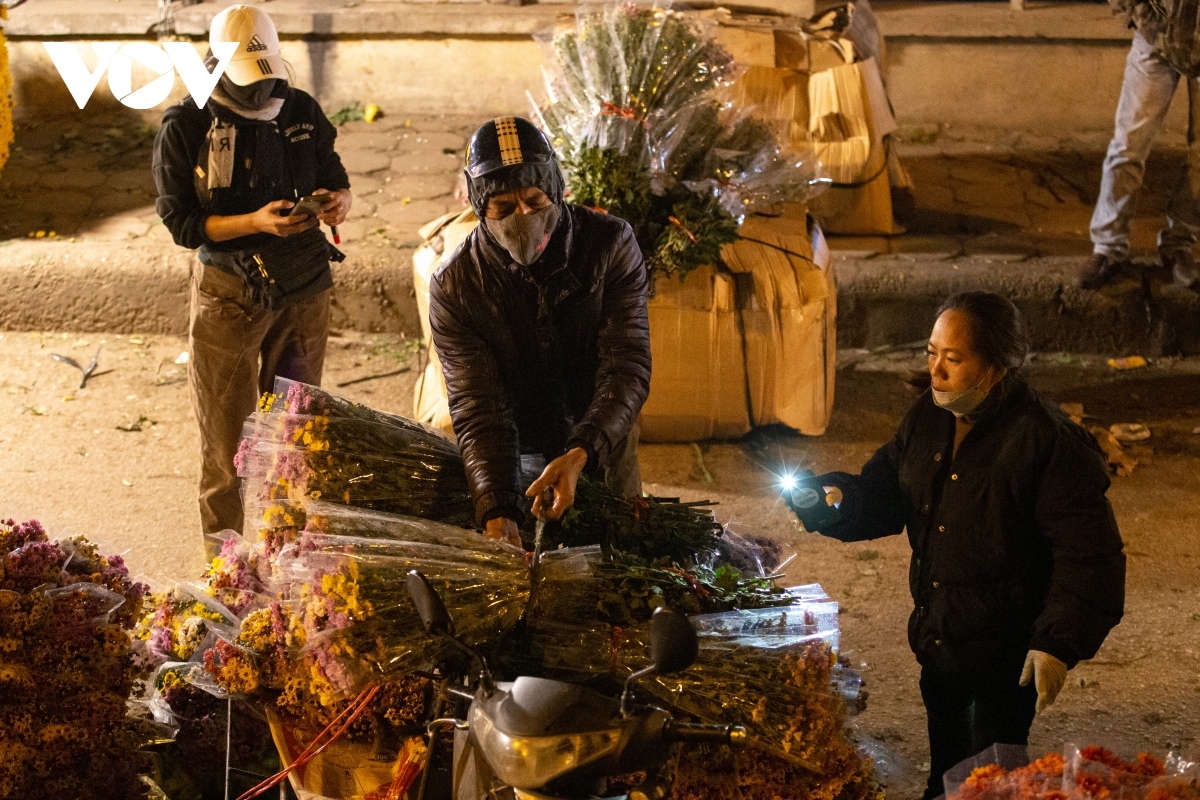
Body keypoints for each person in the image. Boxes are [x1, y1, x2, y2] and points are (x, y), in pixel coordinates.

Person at [797, 293, 1125, 799]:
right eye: (931, 353)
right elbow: (885, 493)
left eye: (953, 359)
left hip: (1006, 659)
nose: (936, 371)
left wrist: (1057, 643)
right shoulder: (927, 420)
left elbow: (1090, 556)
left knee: (990, 786)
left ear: (996, 365)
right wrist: (832, 501)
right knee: (944, 778)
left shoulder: (1046, 441)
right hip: (941, 641)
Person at [153, 5, 352, 553]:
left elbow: (331, 169)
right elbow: (182, 223)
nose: (261, 91)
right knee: (227, 451)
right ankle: (227, 576)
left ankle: (289, 562)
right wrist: (254, 222)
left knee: (295, 438)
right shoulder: (187, 125)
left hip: (305, 289)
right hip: (229, 298)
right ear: (216, 66)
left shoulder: (300, 108)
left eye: (267, 76)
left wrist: (338, 201)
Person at [428, 116, 651, 545]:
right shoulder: (456, 286)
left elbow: (628, 364)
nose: (523, 217)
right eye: (504, 209)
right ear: (479, 207)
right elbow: (479, 406)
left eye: (534, 199)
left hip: (602, 430)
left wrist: (583, 449)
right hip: (518, 446)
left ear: (556, 189)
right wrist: (496, 506)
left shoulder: (608, 244)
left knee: (620, 549)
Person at [1081, 0, 1200, 291]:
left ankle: (1179, 246)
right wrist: (1136, 10)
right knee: (1128, 145)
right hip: (1155, 35)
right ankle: (1108, 247)